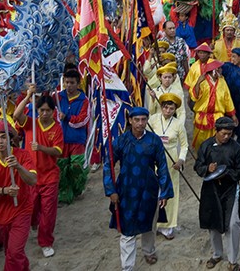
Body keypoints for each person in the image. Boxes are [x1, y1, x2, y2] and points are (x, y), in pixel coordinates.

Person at [103, 106, 173, 270]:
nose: (140, 123)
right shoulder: (121, 141)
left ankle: (149, 251)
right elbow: (108, 165)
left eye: (143, 120)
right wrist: (111, 190)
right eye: (136, 120)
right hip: (126, 190)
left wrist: (165, 192)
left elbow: (162, 166)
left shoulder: (154, 140)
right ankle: (127, 266)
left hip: (149, 189)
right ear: (130, 120)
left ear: (147, 120)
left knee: (149, 223)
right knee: (127, 229)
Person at [0, 120, 38, 271]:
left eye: (3, 137)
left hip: (22, 209)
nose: (0, 141)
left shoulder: (22, 155)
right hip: (0, 213)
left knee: (15, 252)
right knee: (10, 252)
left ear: (10, 138)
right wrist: (5, 191)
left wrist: (18, 166)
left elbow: (32, 180)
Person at [13, 89, 64, 257]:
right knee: (31, 208)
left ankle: (46, 242)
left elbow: (58, 151)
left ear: (53, 111)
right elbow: (16, 114)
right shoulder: (31, 124)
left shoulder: (56, 128)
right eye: (41, 110)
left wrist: (41, 147)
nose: (44, 113)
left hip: (50, 176)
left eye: (47, 110)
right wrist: (28, 96)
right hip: (31, 176)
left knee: (48, 212)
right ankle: (35, 225)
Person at [195, 117, 240, 271]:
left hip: (230, 189)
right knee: (213, 223)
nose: (226, 137)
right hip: (211, 190)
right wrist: (207, 169)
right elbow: (198, 166)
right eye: (223, 133)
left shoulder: (236, 148)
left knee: (233, 224)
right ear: (216, 131)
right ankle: (217, 254)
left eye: (229, 134)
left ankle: (232, 260)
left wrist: (226, 172)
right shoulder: (206, 146)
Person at [148, 93, 188, 240]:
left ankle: (168, 225)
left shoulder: (178, 124)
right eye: (165, 107)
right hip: (153, 158)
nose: (168, 111)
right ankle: (154, 223)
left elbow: (184, 145)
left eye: (171, 108)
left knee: (169, 192)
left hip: (171, 159)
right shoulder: (153, 120)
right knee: (153, 191)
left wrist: (181, 160)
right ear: (161, 107)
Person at [190, 60, 237, 153]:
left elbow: (227, 99)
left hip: (217, 116)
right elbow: (194, 97)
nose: (221, 70)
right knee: (201, 141)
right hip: (203, 117)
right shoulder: (201, 81)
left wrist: (233, 115)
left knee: (218, 140)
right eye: (218, 68)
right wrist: (198, 83)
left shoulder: (222, 81)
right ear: (213, 70)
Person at [57, 69, 89, 204]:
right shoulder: (58, 97)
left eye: (71, 82)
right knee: (61, 167)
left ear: (78, 84)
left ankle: (77, 189)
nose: (68, 85)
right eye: (66, 82)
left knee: (76, 166)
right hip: (60, 140)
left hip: (77, 139)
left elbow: (83, 120)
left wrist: (67, 118)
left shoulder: (84, 100)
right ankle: (64, 195)